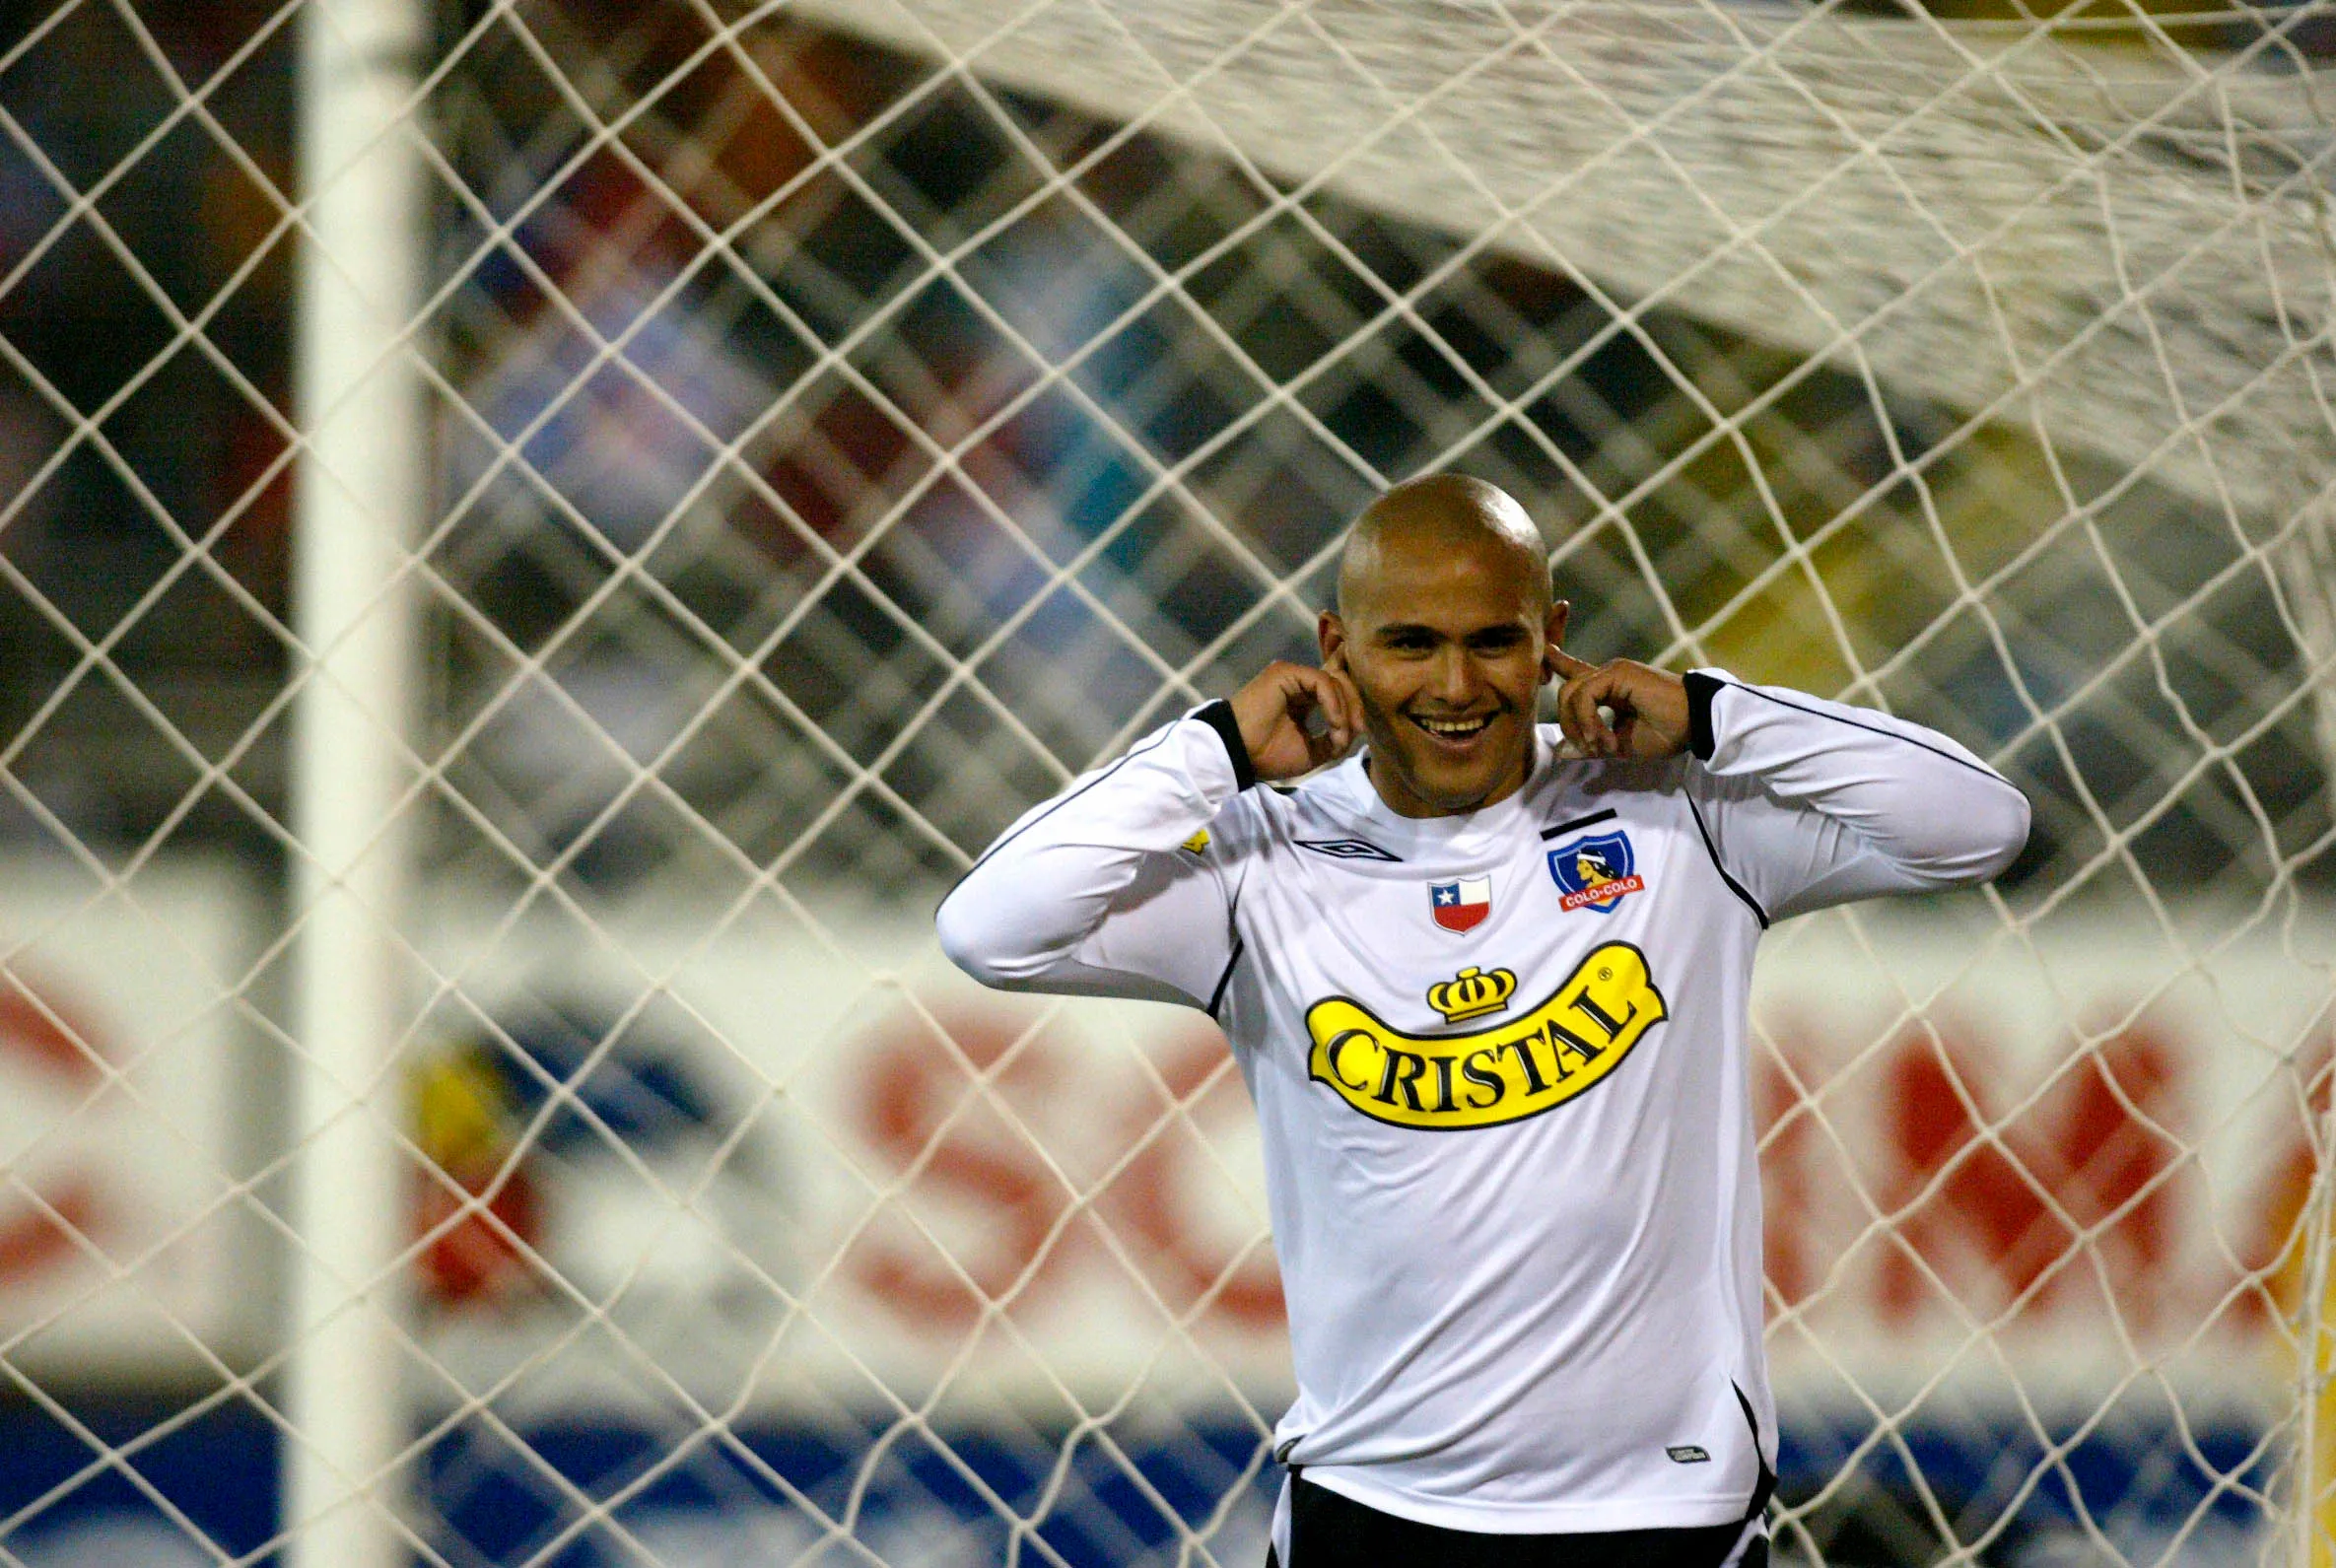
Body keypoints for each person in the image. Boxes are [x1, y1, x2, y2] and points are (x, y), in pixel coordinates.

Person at [935, 474, 2030, 1567]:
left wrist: (1713, 715)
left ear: (1551, 637)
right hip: (1375, 1504)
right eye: (1411, 643)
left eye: (1493, 641)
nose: (1455, 685)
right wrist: (1213, 749)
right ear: (1336, 647)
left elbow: (1982, 826)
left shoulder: (1681, 812)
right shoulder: (1260, 860)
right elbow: (989, 929)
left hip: (1661, 1505)